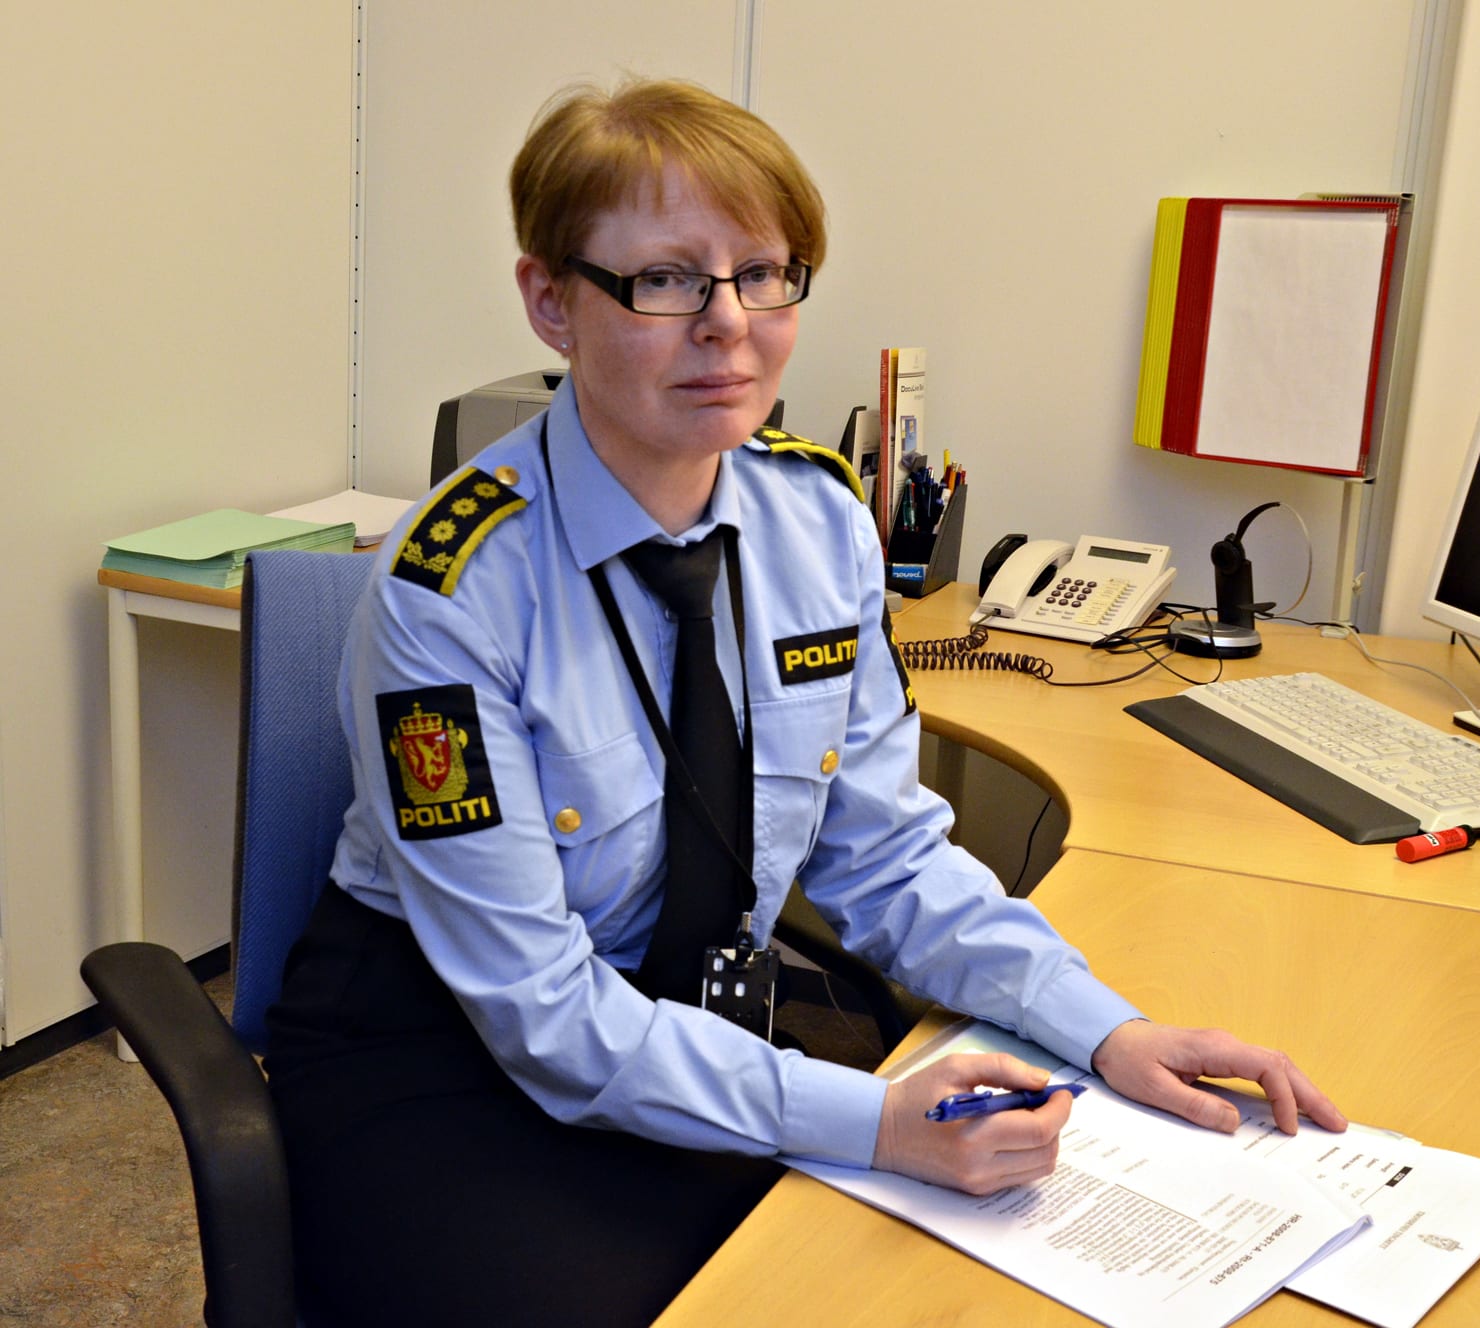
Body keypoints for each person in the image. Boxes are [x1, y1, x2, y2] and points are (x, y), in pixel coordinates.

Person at [265, 76, 1346, 1327]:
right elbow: (542, 1014)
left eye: (763, 274)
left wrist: (1107, 1031)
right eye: (666, 279)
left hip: (689, 1027)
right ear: (551, 300)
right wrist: (875, 1120)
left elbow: (886, 859)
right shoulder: (449, 586)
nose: (728, 325)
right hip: (446, 1051)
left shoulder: (819, 521)